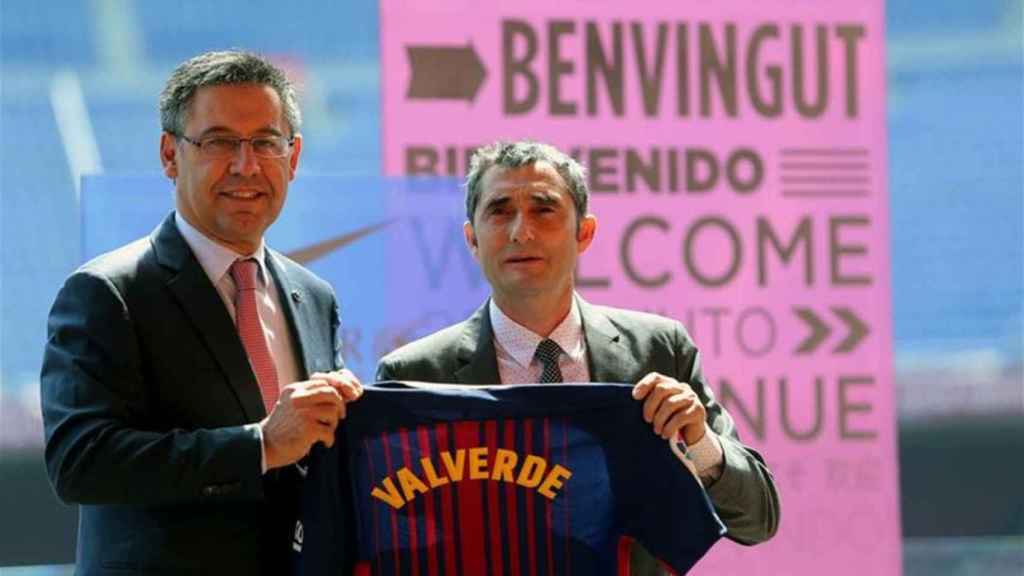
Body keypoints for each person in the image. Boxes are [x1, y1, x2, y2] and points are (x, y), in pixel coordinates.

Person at [376, 140, 780, 572]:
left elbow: (757, 520)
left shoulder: (659, 350)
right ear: (472, 239)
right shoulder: (415, 374)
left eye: (543, 209)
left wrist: (699, 443)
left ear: (584, 233)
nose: (520, 231)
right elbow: (393, 540)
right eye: (499, 210)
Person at [40, 50, 362, 575]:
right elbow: (81, 462)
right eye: (218, 142)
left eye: (265, 142)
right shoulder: (107, 292)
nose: (246, 165)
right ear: (170, 155)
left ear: (294, 157)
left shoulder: (313, 294)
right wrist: (260, 445)